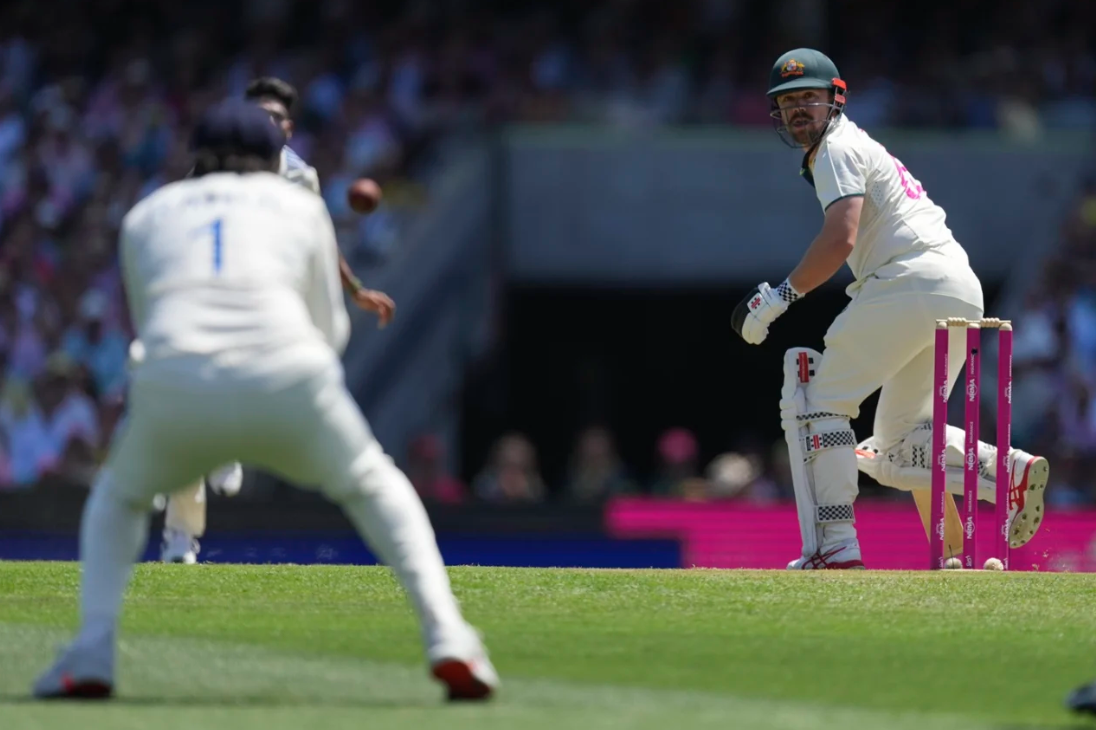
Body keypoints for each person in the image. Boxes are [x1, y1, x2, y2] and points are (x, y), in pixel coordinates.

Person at [32, 100, 497, 701]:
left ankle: (92, 649)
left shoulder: (150, 213)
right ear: (273, 158)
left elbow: (152, 328)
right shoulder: (299, 208)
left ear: (195, 158)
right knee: (375, 484)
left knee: (117, 498)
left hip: (178, 385)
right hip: (288, 376)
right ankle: (451, 639)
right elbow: (330, 333)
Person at [730, 49, 1049, 569]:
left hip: (910, 281)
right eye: (787, 102)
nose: (798, 110)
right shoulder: (853, 145)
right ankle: (1010, 472)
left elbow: (840, 238)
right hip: (956, 287)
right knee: (899, 446)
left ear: (836, 98)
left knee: (819, 401)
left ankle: (835, 546)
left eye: (808, 97)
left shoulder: (836, 147)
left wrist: (774, 301)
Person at [160, 77, 396, 563]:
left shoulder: (300, 177)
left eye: (273, 118)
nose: (263, 125)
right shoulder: (209, 171)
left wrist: (356, 292)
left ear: (287, 128)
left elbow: (321, 241)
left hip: (270, 302)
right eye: (256, 116)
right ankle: (181, 536)